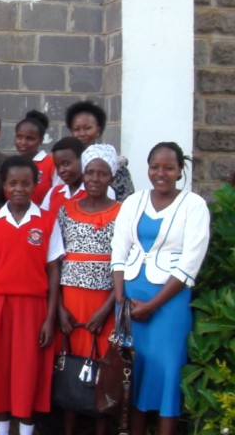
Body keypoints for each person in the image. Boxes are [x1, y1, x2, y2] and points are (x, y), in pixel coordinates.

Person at [111, 142, 210, 435]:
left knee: (167, 376)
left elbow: (189, 266)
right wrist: (121, 300)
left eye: (168, 167)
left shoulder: (194, 206)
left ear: (180, 171)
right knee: (135, 376)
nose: (160, 173)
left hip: (168, 305)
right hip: (129, 301)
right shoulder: (133, 202)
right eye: (155, 167)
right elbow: (119, 252)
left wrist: (152, 306)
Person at [0, 156, 64, 435]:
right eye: (13, 183)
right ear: (4, 185)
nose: (19, 189)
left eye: (26, 183)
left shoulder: (48, 221)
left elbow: (54, 271)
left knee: (28, 370)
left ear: (36, 185)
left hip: (33, 307)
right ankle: (2, 431)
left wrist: (50, 318)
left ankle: (25, 430)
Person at [55, 144, 121, 435]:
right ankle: (69, 430)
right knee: (70, 363)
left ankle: (100, 430)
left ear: (111, 177)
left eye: (102, 173)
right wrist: (58, 308)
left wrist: (106, 309)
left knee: (101, 368)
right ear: (83, 174)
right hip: (70, 301)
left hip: (104, 303)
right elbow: (55, 262)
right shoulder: (65, 211)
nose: (95, 178)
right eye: (90, 172)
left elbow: (123, 265)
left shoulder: (122, 213)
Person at [65, 101, 135, 202]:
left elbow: (128, 203)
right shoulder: (66, 165)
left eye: (88, 128)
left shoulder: (117, 167)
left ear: (98, 130)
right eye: (76, 129)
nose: (82, 134)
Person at [14, 110, 58, 205]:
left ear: (41, 140)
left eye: (30, 138)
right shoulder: (12, 164)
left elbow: (58, 196)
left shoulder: (52, 163)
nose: (23, 142)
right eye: (19, 137)